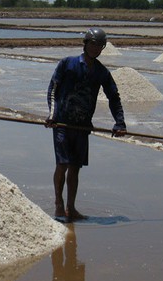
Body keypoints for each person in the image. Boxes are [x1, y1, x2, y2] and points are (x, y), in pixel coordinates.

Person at [46, 28, 126, 221]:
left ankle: (71, 208)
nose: (95, 48)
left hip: (82, 126)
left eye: (100, 46)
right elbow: (52, 89)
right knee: (63, 164)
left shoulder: (101, 72)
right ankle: (59, 203)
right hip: (63, 124)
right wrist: (52, 115)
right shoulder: (68, 64)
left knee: (75, 167)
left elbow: (113, 97)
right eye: (93, 44)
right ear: (85, 44)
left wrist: (120, 122)